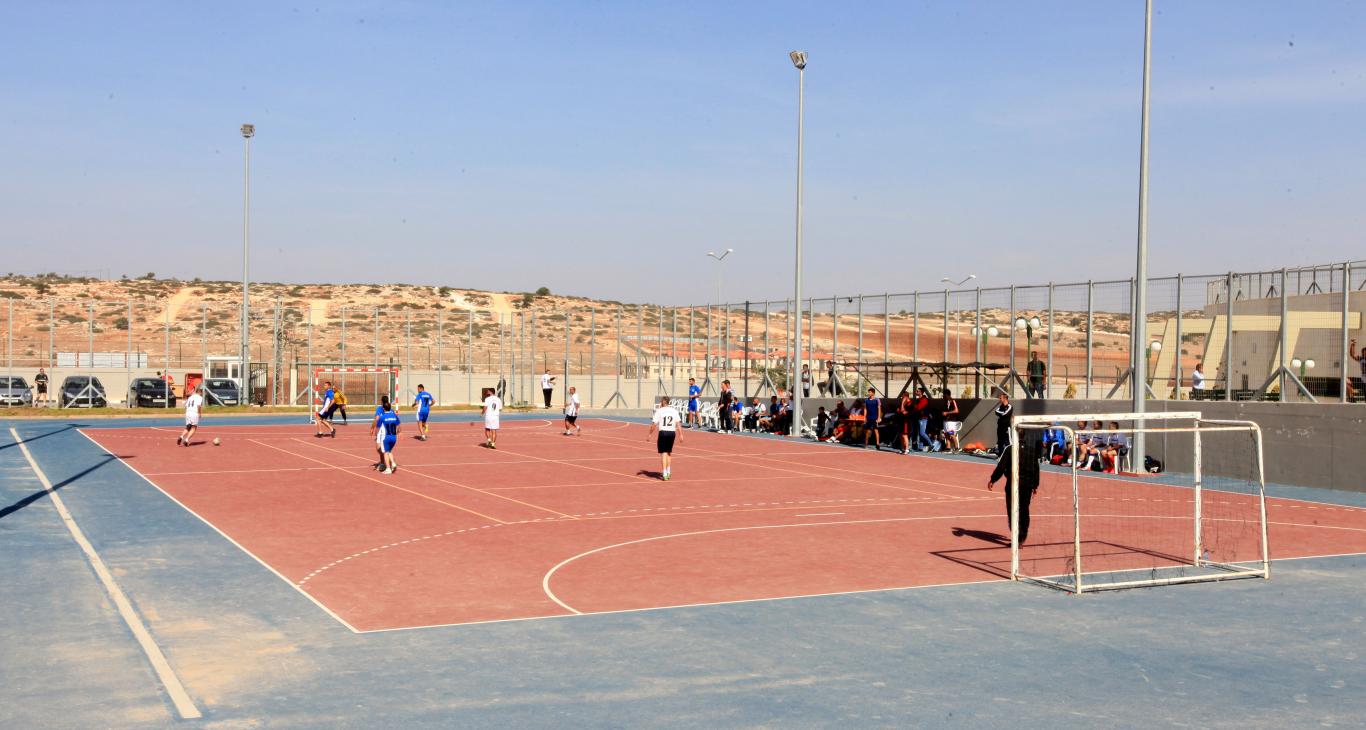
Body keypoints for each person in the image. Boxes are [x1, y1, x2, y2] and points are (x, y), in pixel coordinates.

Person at [988, 438, 1041, 545]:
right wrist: (1035, 485)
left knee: (1013, 511)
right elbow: (1036, 468)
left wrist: (993, 479)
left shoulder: (1010, 449)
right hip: (1027, 485)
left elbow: (1001, 466)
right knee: (1024, 510)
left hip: (1013, 484)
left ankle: (1017, 536)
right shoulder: (1031, 450)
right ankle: (1022, 536)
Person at [646, 396, 682, 481]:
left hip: (663, 433)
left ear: (662, 402)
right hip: (672, 433)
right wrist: (681, 434)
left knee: (663, 453)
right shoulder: (674, 411)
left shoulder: (660, 411)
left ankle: (665, 472)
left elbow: (654, 424)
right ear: (668, 402)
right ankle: (668, 470)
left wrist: (649, 434)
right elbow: (678, 424)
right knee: (669, 453)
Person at [377, 400, 401, 474]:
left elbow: (378, 427)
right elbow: (398, 426)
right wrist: (396, 432)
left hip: (386, 437)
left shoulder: (382, 417)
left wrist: (378, 436)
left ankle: (388, 468)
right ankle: (393, 463)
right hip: (394, 437)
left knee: (385, 452)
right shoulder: (394, 415)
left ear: (383, 409)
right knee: (389, 451)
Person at [370, 395, 392, 469]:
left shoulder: (379, 408)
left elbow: (376, 419)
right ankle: (385, 462)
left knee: (379, 448)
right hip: (389, 431)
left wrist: (372, 428)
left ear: (381, 401)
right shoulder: (390, 409)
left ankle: (384, 463)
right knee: (384, 448)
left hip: (382, 430)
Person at [910, 386, 933, 452]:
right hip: (919, 418)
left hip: (923, 418)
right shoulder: (918, 400)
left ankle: (931, 445)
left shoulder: (924, 399)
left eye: (917, 391)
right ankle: (920, 447)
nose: (916, 392)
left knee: (922, 433)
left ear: (921, 392)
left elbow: (918, 408)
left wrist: (913, 406)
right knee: (919, 434)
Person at [941, 388, 962, 453]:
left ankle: (957, 448)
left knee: (951, 434)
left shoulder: (953, 401)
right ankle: (948, 448)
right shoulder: (946, 402)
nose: (943, 396)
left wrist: (947, 413)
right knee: (946, 434)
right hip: (946, 421)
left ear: (947, 395)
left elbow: (956, 410)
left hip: (951, 421)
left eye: (944, 395)